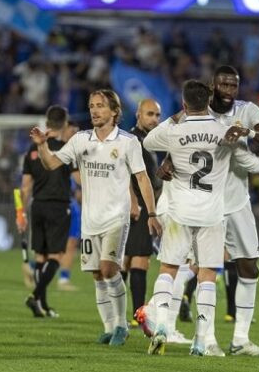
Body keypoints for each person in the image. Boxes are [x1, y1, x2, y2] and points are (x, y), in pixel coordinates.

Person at [144, 79, 259, 357]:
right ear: (209, 100)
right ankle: (201, 341)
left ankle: (164, 326)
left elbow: (148, 140)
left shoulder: (174, 131)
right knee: (206, 276)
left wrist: (177, 117)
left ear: (183, 102)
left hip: (179, 212)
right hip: (213, 214)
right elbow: (251, 163)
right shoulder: (226, 132)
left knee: (168, 269)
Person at [30, 89, 161, 347]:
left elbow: (143, 178)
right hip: (91, 220)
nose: (94, 110)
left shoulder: (127, 142)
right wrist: (42, 145)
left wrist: (152, 213)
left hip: (116, 218)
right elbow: (52, 164)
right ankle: (109, 327)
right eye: (91, 105)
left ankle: (122, 326)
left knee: (109, 269)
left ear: (114, 111)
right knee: (97, 275)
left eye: (100, 105)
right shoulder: (81, 140)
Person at [207, 65, 259, 356]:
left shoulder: (247, 110)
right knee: (195, 270)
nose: (228, 90)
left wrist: (247, 132)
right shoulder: (198, 112)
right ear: (213, 85)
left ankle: (240, 340)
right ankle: (202, 337)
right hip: (205, 202)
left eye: (232, 86)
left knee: (249, 266)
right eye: (223, 84)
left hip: (237, 202)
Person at [18, 105, 79, 318]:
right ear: (64, 123)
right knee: (56, 256)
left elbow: (24, 187)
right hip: (59, 206)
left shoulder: (32, 151)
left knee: (41, 256)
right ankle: (35, 296)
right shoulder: (66, 149)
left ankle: (42, 305)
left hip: (37, 206)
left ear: (47, 121)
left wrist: (20, 213)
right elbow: (79, 179)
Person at [124, 99, 163, 326]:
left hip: (144, 205)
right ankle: (137, 315)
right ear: (138, 114)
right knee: (136, 260)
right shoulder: (133, 140)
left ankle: (129, 316)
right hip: (137, 207)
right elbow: (126, 173)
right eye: (150, 114)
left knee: (129, 260)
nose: (154, 119)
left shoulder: (149, 142)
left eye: (157, 115)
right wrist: (133, 201)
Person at [57, 121, 81, 292]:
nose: (75, 134)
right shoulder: (62, 152)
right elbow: (80, 179)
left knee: (70, 242)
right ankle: (37, 267)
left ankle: (62, 278)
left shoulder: (76, 153)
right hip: (61, 203)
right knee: (59, 244)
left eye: (77, 131)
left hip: (70, 202)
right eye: (72, 130)